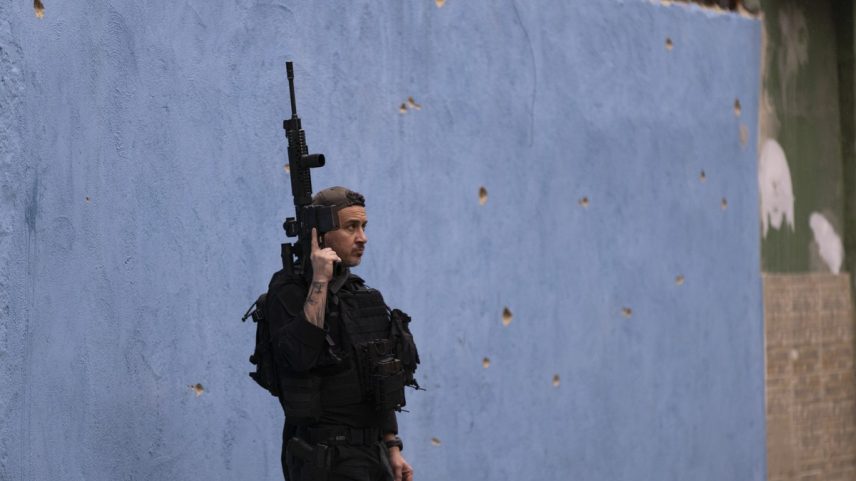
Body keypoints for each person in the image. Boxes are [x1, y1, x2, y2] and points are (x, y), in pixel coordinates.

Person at [266, 186, 417, 481]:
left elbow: (381, 375)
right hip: (324, 456)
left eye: (363, 226)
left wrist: (392, 447)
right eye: (351, 227)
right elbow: (298, 357)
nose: (363, 237)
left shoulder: (362, 295)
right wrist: (320, 279)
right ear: (320, 234)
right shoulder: (288, 291)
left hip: (373, 455)